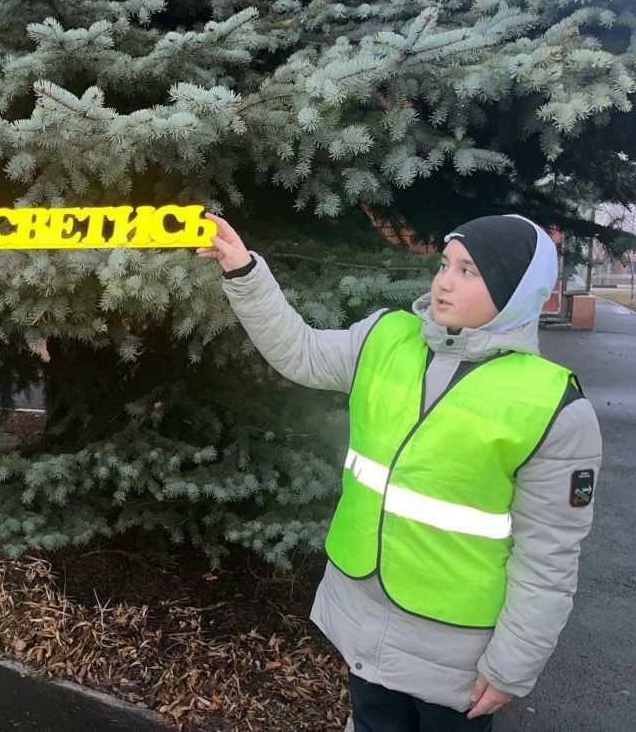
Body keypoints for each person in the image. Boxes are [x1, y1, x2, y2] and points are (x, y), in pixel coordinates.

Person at [198, 213, 601, 731]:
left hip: (457, 656)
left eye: (470, 271)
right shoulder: (386, 339)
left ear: (517, 290)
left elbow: (549, 558)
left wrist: (512, 667)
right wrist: (244, 271)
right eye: (444, 264)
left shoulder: (552, 406)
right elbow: (299, 352)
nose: (444, 282)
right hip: (366, 623)